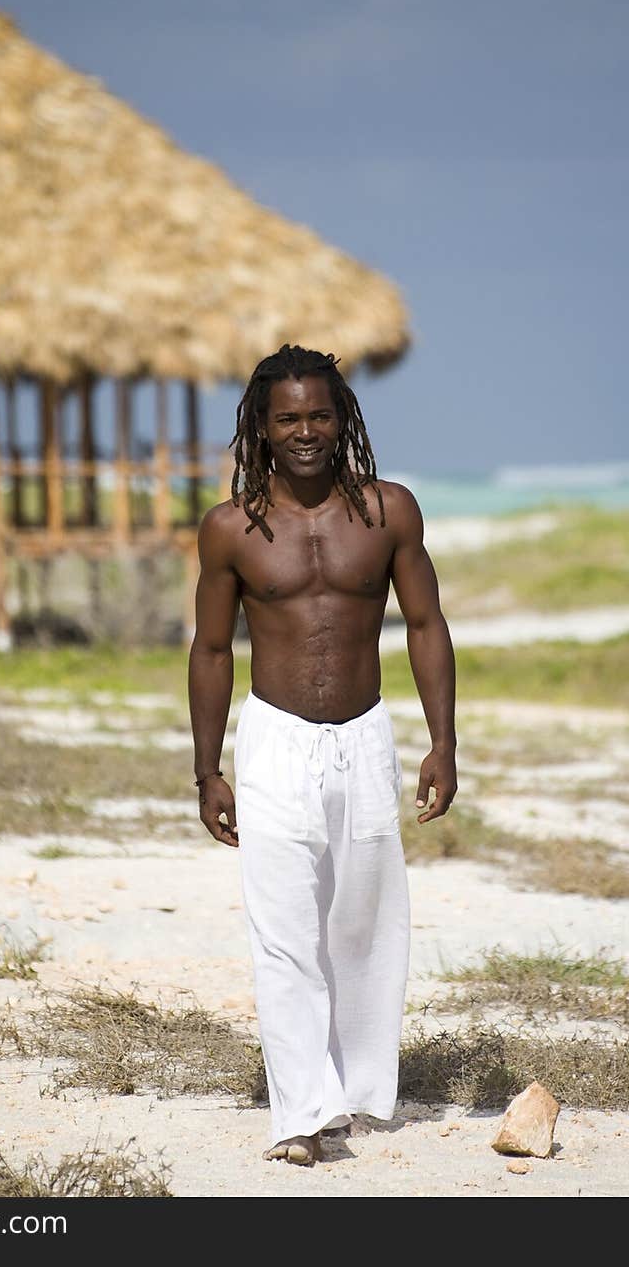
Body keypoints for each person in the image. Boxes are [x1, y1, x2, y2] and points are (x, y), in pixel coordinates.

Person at [187, 342, 457, 1167]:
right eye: (286, 418)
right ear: (261, 429)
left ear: (342, 419)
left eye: (318, 415)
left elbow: (424, 624)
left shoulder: (389, 511)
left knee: (366, 924)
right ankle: (301, 1113)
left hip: (365, 736)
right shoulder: (232, 527)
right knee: (283, 929)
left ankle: (360, 1092)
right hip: (273, 738)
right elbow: (209, 650)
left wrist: (443, 741)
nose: (304, 431)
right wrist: (207, 769)